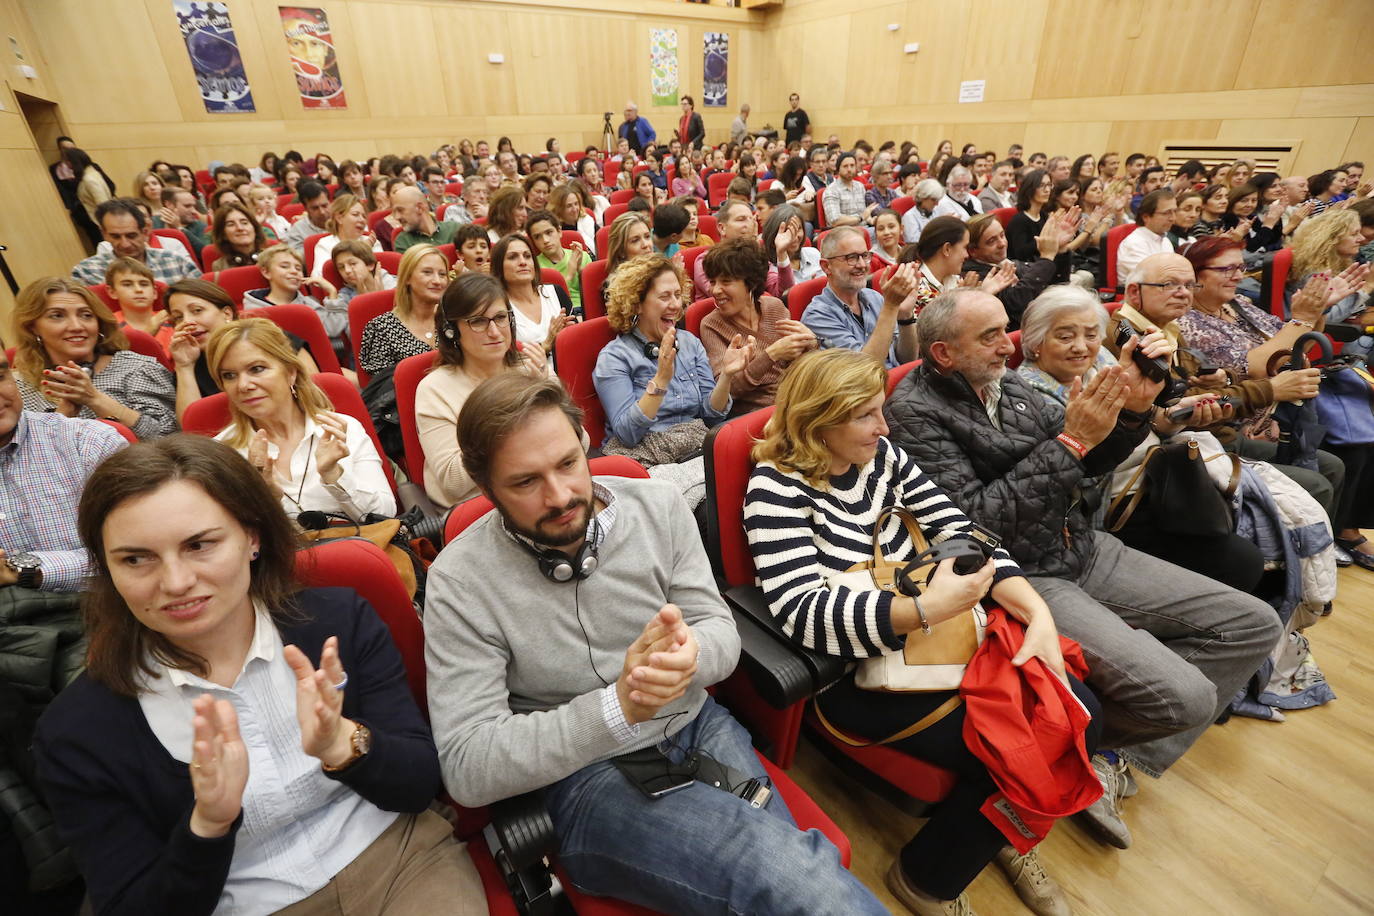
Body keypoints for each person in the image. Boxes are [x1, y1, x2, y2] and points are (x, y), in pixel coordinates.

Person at [423, 371, 883, 915]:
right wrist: (617, 708)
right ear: (486, 488)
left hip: (696, 724)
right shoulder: (459, 581)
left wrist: (688, 659)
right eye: (525, 482)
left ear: (584, 444)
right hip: (584, 778)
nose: (561, 495)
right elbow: (469, 766)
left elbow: (718, 633)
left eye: (569, 464)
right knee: (797, 879)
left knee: (790, 881)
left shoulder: (659, 507)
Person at [884, 287, 1281, 850]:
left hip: (1080, 545)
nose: (1008, 346)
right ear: (944, 353)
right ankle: (1081, 744)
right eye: (991, 336)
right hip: (1021, 574)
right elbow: (971, 526)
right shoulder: (914, 411)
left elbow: (1090, 458)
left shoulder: (1007, 385)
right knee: (1186, 699)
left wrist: (1134, 411)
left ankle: (1111, 756)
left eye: (1006, 329)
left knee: (1255, 624)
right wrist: (1070, 441)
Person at [33, 434, 484, 914]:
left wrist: (345, 745)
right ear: (106, 568)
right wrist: (207, 826)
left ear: (252, 537)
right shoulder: (76, 732)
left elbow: (419, 785)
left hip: (397, 861)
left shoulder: (339, 623)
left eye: (199, 545)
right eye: (136, 559)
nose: (176, 582)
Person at [746, 348, 1097, 916]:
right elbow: (801, 611)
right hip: (860, 673)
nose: (884, 427)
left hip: (936, 633)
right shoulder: (776, 489)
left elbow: (957, 528)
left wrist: (1037, 612)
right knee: (1016, 749)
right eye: (865, 415)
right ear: (817, 420)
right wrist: (925, 611)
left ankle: (996, 833)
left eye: (880, 410)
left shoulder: (879, 455)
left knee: (1079, 709)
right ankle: (925, 880)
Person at [1015, 285, 1264, 591]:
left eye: (1091, 335)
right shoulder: (1026, 396)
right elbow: (1078, 473)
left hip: (1160, 477)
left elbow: (1151, 419)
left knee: (1256, 519)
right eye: (1065, 337)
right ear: (1036, 342)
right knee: (1241, 558)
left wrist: (1175, 414)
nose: (1081, 347)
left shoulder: (1102, 360)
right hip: (1114, 508)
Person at [1176, 236, 1347, 525]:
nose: (1239, 276)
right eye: (1227, 269)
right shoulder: (1189, 323)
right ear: (1195, 275)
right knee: (1328, 464)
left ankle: (1334, 536)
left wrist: (1314, 313)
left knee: (1337, 462)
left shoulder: (1237, 304)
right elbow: (1254, 366)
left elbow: (1289, 352)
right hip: (1237, 423)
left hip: (1275, 411)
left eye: (1240, 267)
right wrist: (1302, 318)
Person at [593, 252, 749, 492]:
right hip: (648, 458)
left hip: (694, 449)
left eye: (678, 295)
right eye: (665, 296)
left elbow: (711, 416)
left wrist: (727, 376)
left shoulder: (689, 343)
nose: (676, 305)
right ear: (636, 303)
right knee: (715, 501)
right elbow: (627, 434)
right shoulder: (614, 357)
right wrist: (661, 379)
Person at [209, 318, 393, 521]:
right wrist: (265, 497)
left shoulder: (340, 429)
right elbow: (235, 543)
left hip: (360, 547)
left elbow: (385, 514)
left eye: (257, 369)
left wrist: (334, 475)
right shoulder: (220, 453)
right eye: (229, 375)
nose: (243, 385)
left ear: (290, 373)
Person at [416, 273, 564, 508]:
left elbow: (579, 441)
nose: (495, 332)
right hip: (481, 505)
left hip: (546, 490)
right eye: (478, 321)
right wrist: (522, 409)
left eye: (500, 317)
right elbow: (454, 482)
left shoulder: (530, 367)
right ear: (451, 330)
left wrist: (547, 394)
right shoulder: (434, 389)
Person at [0, 343, 127, 593]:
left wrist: (22, 572)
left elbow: (142, 551)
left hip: (108, 615)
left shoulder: (89, 444)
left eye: (0, 376)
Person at [12, 277, 177, 439]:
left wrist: (95, 399)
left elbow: (169, 437)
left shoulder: (137, 368)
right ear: (32, 327)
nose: (77, 326)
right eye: (57, 316)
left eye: (86, 315)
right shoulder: (19, 387)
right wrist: (65, 413)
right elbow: (22, 457)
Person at [699, 239, 816, 415]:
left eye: (726, 281)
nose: (715, 290)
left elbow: (801, 367)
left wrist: (811, 344)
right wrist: (771, 355)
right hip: (757, 414)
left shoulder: (774, 307)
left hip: (796, 401)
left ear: (751, 283)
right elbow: (729, 390)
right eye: (713, 282)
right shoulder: (711, 325)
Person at [800, 227, 920, 369]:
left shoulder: (875, 298)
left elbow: (907, 360)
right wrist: (890, 307)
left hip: (898, 385)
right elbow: (864, 372)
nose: (862, 265)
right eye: (852, 258)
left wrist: (905, 316)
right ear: (826, 266)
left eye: (865, 256)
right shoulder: (817, 316)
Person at [962, 211, 1073, 328]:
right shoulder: (975, 277)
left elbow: (1056, 284)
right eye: (992, 241)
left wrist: (1060, 250)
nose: (1002, 243)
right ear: (973, 251)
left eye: (1002, 235)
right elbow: (1018, 303)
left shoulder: (1009, 263)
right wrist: (1046, 257)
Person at [359, 244, 447, 382]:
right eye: (427, 272)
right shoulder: (382, 328)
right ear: (407, 278)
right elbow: (382, 390)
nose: (437, 281)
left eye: (442, 274)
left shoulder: (454, 321)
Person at [243, 244, 348, 357]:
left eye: (298, 268)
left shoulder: (309, 304)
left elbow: (334, 328)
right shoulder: (253, 308)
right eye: (284, 266)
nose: (294, 271)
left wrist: (332, 292)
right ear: (266, 272)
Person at [73, 199, 201, 286]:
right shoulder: (87, 272)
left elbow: (206, 301)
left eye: (131, 235)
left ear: (146, 231)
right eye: (115, 237)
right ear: (104, 234)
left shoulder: (177, 262)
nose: (125, 244)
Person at [690, 200, 795, 299]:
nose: (749, 225)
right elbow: (725, 296)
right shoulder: (705, 260)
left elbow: (783, 293)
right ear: (722, 228)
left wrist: (781, 253)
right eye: (741, 219)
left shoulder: (756, 256)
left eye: (751, 219)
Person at [493, 233, 572, 354]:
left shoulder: (556, 292)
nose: (523, 262)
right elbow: (505, 359)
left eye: (527, 256)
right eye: (513, 257)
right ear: (499, 266)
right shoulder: (497, 308)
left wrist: (571, 331)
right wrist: (546, 344)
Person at [527, 209, 591, 314]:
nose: (545, 240)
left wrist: (580, 270)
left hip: (587, 309)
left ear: (559, 231)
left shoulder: (581, 255)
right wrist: (570, 274)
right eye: (538, 237)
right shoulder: (534, 267)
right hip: (561, 313)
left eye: (549, 232)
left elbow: (592, 294)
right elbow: (549, 301)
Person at [104, 257, 173, 351]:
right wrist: (149, 331)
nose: (138, 290)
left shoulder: (173, 319)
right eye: (127, 284)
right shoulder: (107, 327)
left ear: (154, 292)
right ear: (112, 292)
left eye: (144, 284)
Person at [308, 193, 381, 279]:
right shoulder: (325, 244)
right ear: (339, 218)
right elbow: (318, 276)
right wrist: (361, 250)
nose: (361, 220)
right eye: (355, 214)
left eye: (364, 216)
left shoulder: (372, 242)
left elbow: (383, 271)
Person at [1115, 189, 1177, 289]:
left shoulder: (1166, 241)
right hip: (1140, 297)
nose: (1173, 218)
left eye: (1174, 212)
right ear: (1146, 217)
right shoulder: (1134, 242)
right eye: (1166, 213)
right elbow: (1150, 279)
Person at [391, 185, 460, 253]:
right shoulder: (403, 242)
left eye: (400, 210)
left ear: (419, 208)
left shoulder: (454, 229)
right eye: (394, 212)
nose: (397, 217)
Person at [1005, 169, 1053, 262]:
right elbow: (1020, 254)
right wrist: (1041, 242)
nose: (1047, 190)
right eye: (1041, 185)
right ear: (1029, 189)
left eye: (1049, 185)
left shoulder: (1044, 215)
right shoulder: (1019, 220)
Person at [208, 201, 270, 270]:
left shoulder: (272, 258)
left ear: (254, 228)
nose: (240, 228)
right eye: (231, 224)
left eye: (244, 223)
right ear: (223, 234)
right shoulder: (219, 266)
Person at [1224, 183, 1284, 253]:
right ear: (1232, 201)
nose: (1249, 205)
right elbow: (1250, 249)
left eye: (1254, 200)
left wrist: (1275, 221)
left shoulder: (1251, 217)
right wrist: (1267, 226)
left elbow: (1271, 240)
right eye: (1244, 201)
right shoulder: (1226, 220)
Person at [281, 180, 333, 257]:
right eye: (315, 208)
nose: (322, 212)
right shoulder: (298, 229)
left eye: (325, 206)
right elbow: (296, 258)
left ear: (330, 202)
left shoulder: (343, 219)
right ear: (306, 208)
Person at [156, 186, 210, 258]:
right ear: (169, 205)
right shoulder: (153, 223)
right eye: (187, 206)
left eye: (194, 206)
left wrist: (179, 228)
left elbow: (204, 253)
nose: (193, 211)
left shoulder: (201, 226)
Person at [901, 178, 946, 244]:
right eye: (933, 200)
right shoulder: (909, 216)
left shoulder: (936, 211)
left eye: (938, 200)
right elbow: (913, 241)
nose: (936, 204)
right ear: (922, 197)